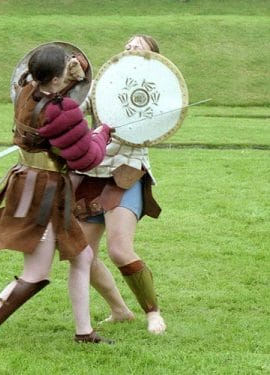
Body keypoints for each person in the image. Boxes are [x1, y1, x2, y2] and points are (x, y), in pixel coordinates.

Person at [0, 44, 114, 355]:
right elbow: (88, 158)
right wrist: (103, 132)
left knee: (82, 257)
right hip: (42, 192)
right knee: (36, 273)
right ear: (57, 80)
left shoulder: (26, 88)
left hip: (37, 184)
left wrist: (76, 66)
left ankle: (84, 332)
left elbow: (55, 85)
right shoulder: (60, 111)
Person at [75, 35, 166, 334]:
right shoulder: (105, 82)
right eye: (127, 44)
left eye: (138, 46)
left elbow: (152, 127)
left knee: (119, 250)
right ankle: (120, 310)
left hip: (125, 174)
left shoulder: (156, 93)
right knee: (81, 253)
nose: (129, 48)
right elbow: (79, 108)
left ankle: (153, 313)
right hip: (92, 174)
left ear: (153, 58)